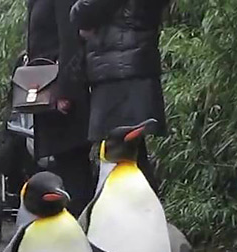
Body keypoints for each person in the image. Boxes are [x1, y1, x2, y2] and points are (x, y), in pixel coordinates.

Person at [69, 0, 170, 192]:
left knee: (122, 154)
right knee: (134, 153)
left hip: (116, 71)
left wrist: (80, 16)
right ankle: (146, 206)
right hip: (135, 64)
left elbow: (82, 12)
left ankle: (142, 207)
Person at [27, 0, 93, 215]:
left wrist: (66, 90)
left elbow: (70, 40)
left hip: (62, 89)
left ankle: (78, 220)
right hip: (47, 85)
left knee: (72, 162)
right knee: (63, 160)